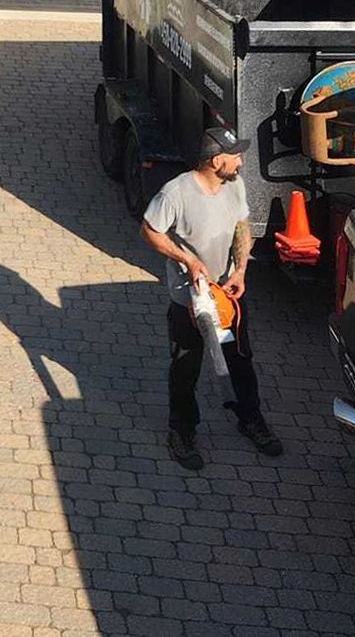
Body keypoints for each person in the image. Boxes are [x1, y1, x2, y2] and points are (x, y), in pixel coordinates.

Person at [140, 125, 283, 469]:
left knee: (239, 359)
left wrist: (240, 271)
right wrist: (187, 260)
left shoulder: (234, 186)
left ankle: (250, 419)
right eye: (235, 156)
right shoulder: (175, 193)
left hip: (227, 297)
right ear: (216, 160)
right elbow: (149, 230)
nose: (240, 162)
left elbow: (241, 226)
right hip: (190, 302)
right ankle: (182, 431)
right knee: (185, 367)